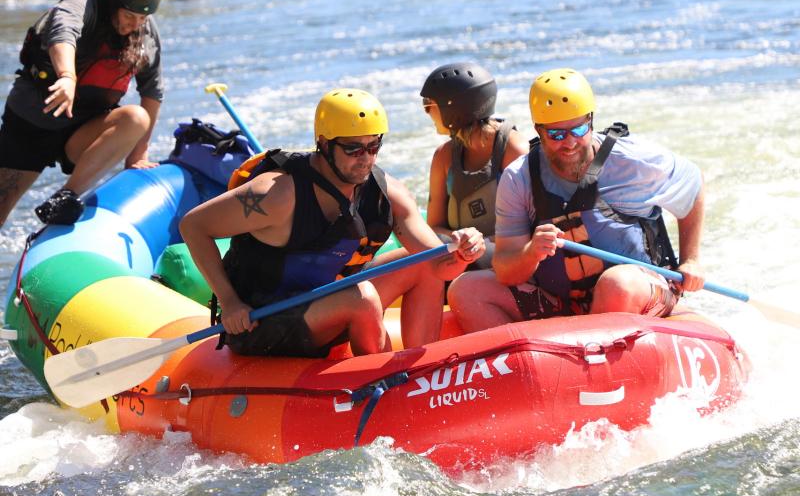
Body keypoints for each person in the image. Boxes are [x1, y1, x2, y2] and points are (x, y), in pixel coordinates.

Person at [179, 88, 485, 357]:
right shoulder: (276, 194)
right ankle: (383, 385)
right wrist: (229, 302)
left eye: (373, 146)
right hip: (261, 319)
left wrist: (463, 252)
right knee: (362, 298)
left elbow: (439, 265)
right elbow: (193, 226)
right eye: (353, 148)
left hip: (329, 300)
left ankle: (424, 368)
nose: (365, 158)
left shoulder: (387, 194)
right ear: (324, 144)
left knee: (418, 261)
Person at [447, 68, 705, 332]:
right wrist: (531, 253)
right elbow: (505, 270)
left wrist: (690, 260)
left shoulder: (633, 162)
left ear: (591, 121)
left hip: (637, 289)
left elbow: (694, 187)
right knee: (466, 290)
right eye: (556, 135)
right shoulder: (518, 177)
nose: (569, 143)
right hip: (562, 303)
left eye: (579, 129)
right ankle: (523, 366)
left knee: (616, 284)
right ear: (538, 130)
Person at [0, 0, 164, 227]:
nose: (135, 25)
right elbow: (62, 31)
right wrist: (66, 76)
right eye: (129, 16)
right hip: (31, 121)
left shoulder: (144, 28)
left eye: (142, 18)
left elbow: (152, 90)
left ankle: (64, 198)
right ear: (113, 3)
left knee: (136, 117)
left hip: (82, 131)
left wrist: (139, 152)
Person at [420, 61, 528, 269]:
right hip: (460, 254)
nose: (426, 112)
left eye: (429, 105)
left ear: (451, 108)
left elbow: (530, 225)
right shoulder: (443, 156)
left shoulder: (513, 150)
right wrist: (461, 239)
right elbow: (433, 227)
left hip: (508, 255)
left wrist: (482, 244)